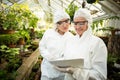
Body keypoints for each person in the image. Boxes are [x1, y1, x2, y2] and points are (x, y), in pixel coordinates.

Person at [55, 8, 108, 80]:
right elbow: (66, 58)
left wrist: (76, 72)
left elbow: (100, 75)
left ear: (88, 23)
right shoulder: (70, 41)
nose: (77, 27)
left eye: (81, 23)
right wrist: (60, 63)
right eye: (75, 23)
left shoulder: (97, 43)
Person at [39, 10, 73, 80]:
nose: (65, 25)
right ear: (56, 24)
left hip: (63, 72)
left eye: (66, 21)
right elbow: (42, 47)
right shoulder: (48, 33)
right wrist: (50, 57)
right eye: (60, 23)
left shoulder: (71, 37)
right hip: (48, 70)